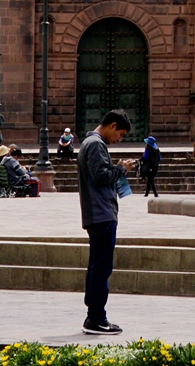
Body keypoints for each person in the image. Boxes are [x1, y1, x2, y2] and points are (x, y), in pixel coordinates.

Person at [77, 109, 132, 335]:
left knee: (96, 267)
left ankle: (94, 316)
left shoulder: (90, 143)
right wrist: (121, 169)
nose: (119, 139)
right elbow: (100, 176)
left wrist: (115, 168)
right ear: (112, 125)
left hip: (97, 214)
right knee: (101, 268)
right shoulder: (96, 144)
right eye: (120, 134)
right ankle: (96, 318)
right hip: (102, 214)